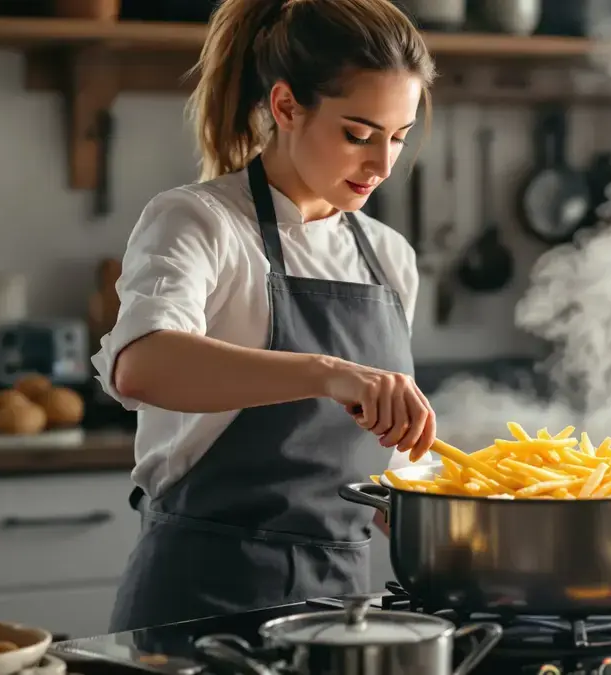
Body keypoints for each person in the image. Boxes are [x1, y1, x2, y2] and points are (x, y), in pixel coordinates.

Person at [93, 0, 439, 632]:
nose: (382, 166)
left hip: (344, 616)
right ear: (285, 106)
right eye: (358, 135)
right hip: (202, 604)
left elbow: (374, 470)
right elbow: (141, 364)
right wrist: (329, 372)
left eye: (398, 137)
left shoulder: (390, 258)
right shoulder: (199, 221)